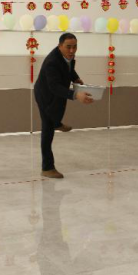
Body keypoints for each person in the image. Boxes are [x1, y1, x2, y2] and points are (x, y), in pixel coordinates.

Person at [34, 32, 93, 179]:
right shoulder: (52, 62)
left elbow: (69, 68)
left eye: (75, 47)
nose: (72, 50)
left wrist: (76, 78)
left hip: (56, 92)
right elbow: (54, 87)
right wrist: (76, 95)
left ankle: (57, 123)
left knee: (58, 109)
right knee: (47, 129)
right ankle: (47, 168)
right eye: (68, 47)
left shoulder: (68, 56)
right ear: (60, 46)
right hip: (45, 94)